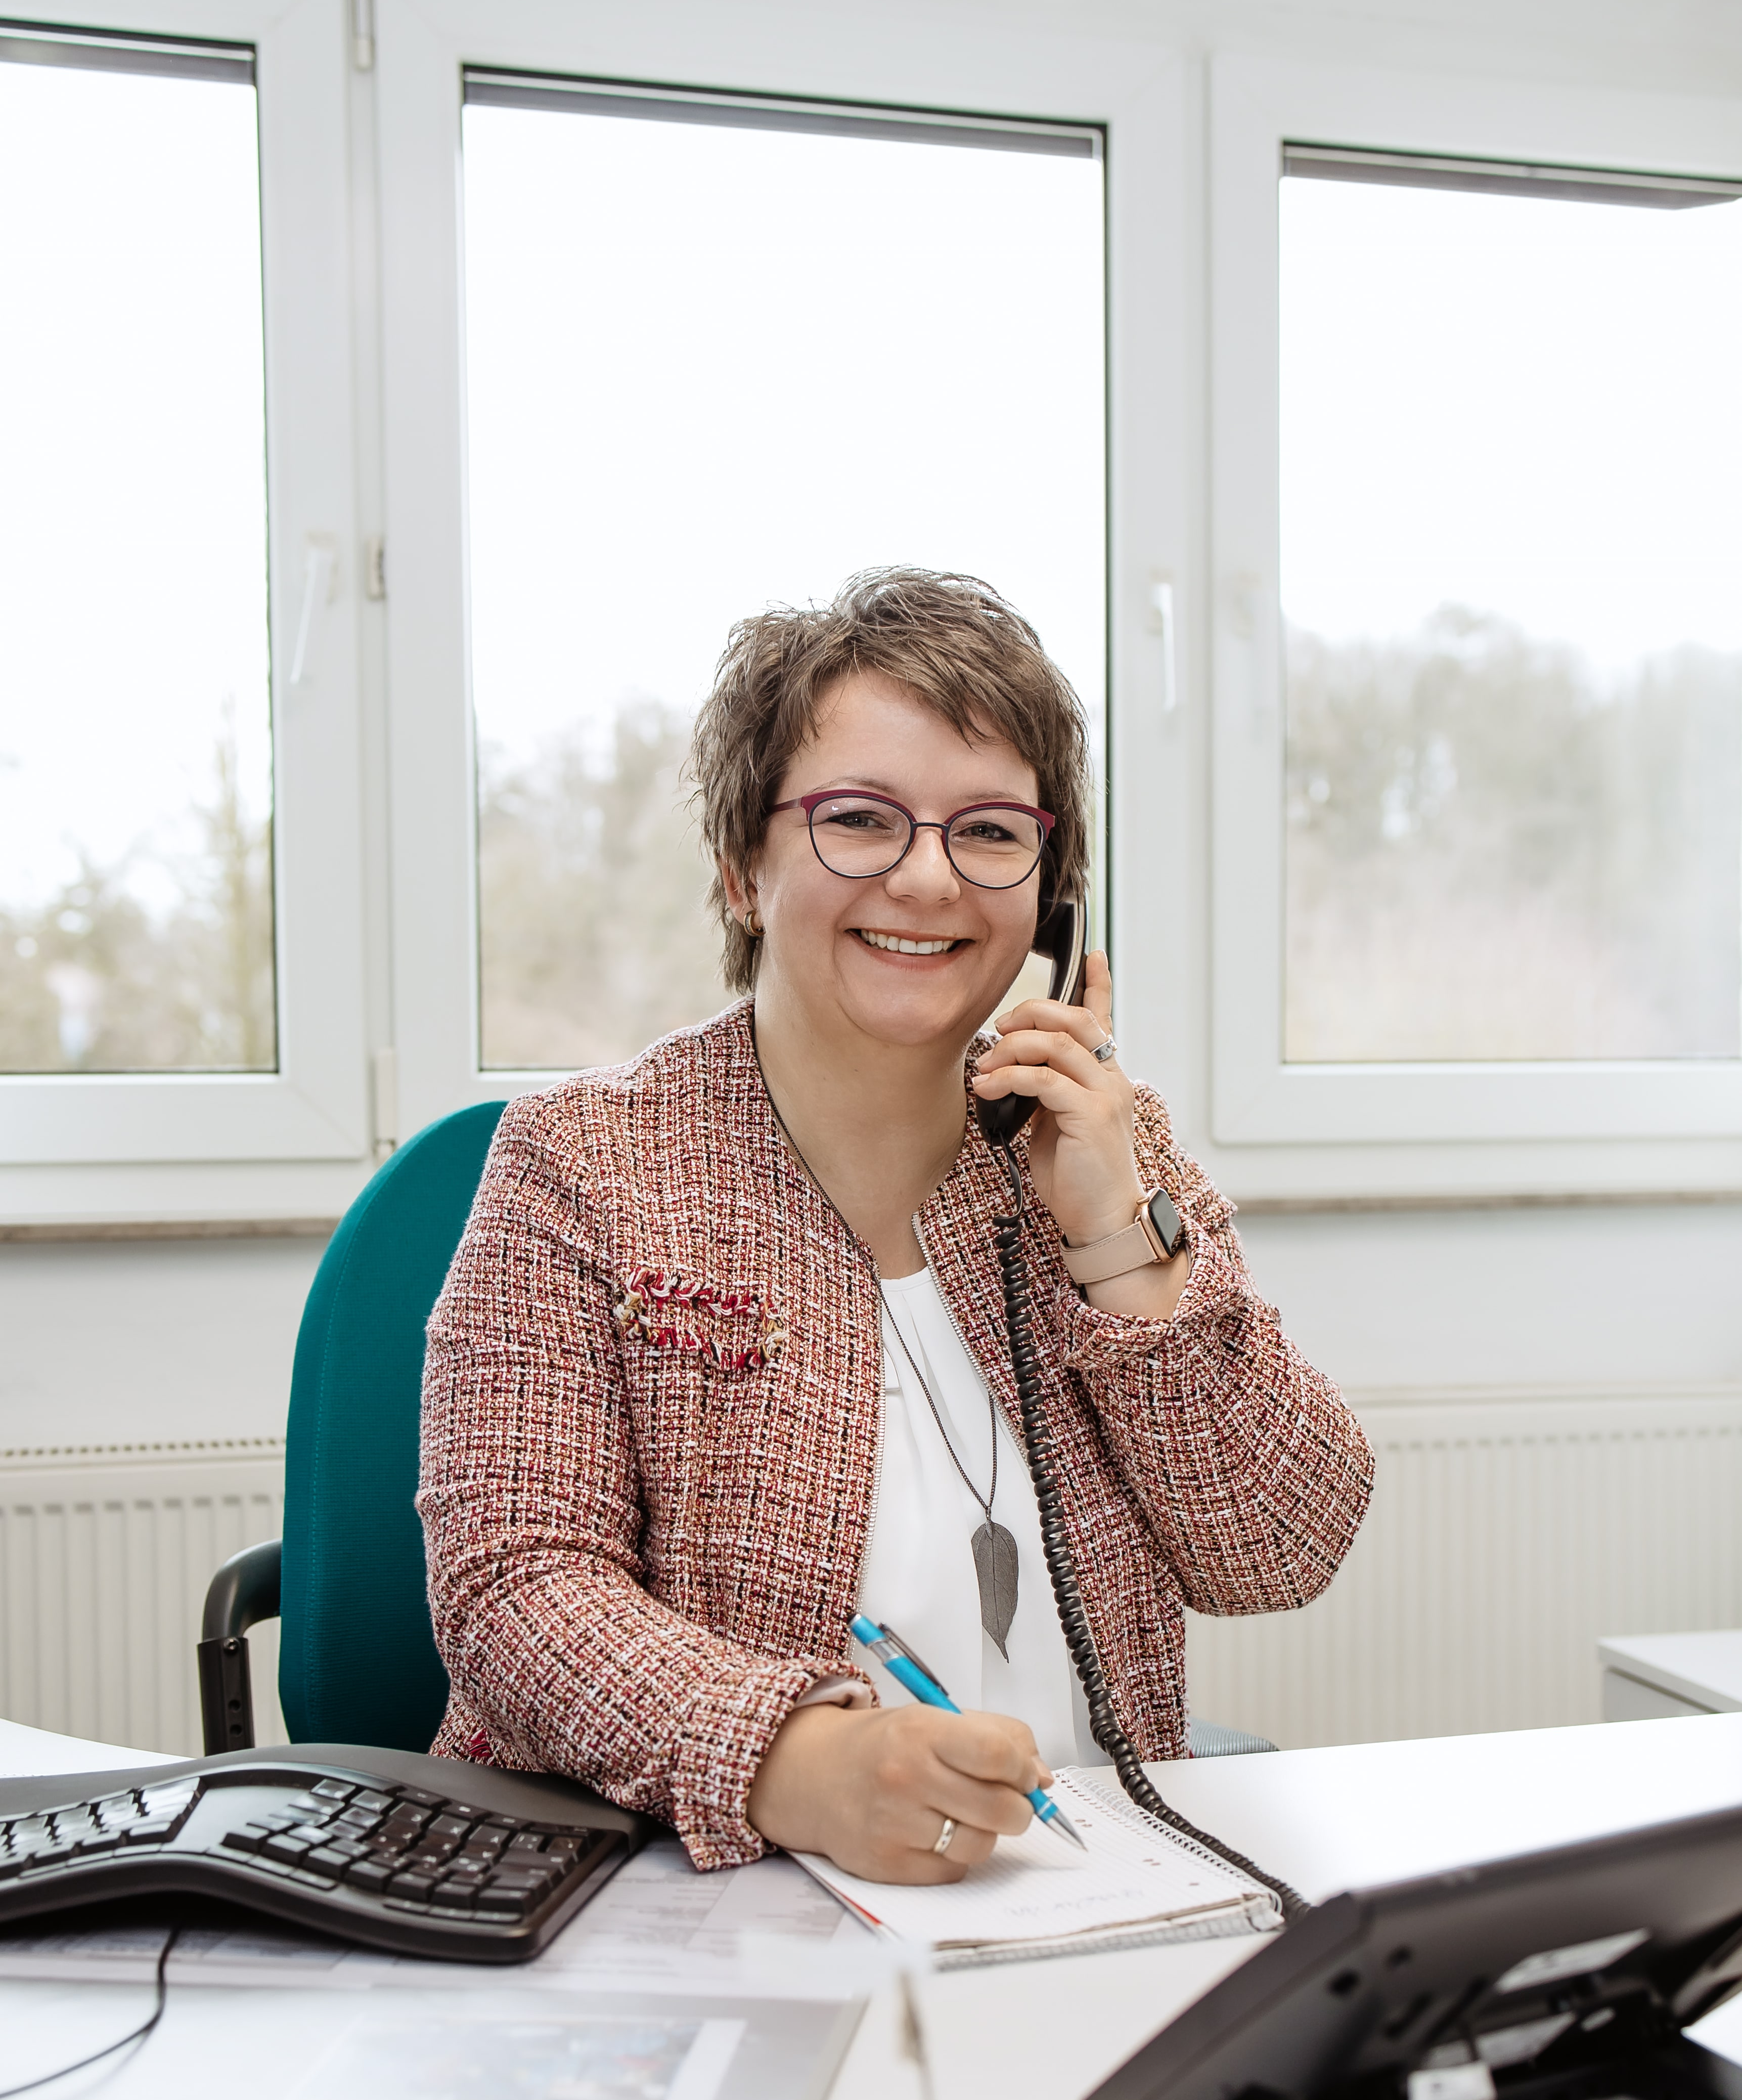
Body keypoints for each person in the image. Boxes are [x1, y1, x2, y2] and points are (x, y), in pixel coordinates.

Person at [418, 570, 1373, 1884]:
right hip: (703, 1897)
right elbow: (513, 1587)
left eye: (989, 832)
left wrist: (1120, 1253)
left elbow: (1280, 1545)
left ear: (1051, 898)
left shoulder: (1106, 1136)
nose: (928, 879)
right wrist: (787, 1760)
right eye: (860, 820)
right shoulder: (584, 1163)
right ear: (743, 869)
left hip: (1082, 1889)